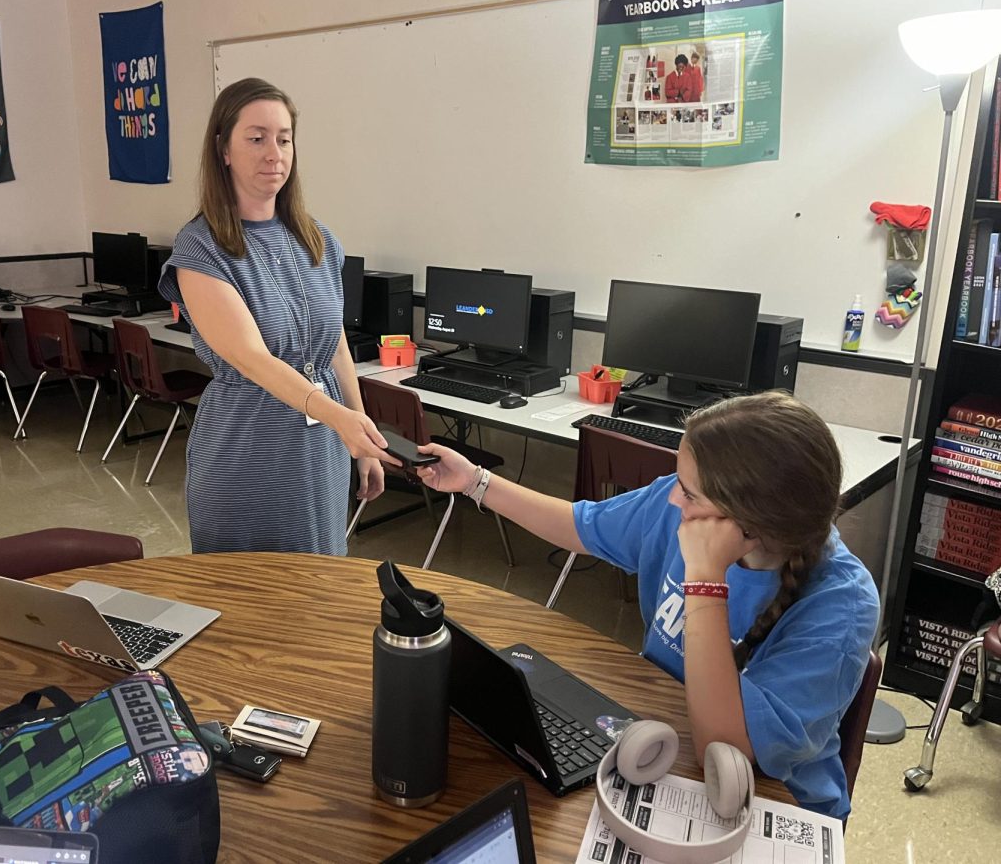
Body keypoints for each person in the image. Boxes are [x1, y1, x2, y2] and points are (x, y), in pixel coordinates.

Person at [414, 392, 878, 820]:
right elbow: (580, 525)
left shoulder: (841, 605)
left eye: (690, 493)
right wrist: (475, 481)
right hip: (664, 742)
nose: (673, 498)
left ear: (752, 522)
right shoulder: (676, 504)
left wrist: (705, 579)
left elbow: (726, 746)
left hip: (767, 802)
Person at [159, 77, 393, 555]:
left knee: (318, 586)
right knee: (251, 594)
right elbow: (251, 358)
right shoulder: (201, 248)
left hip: (320, 449)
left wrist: (360, 429)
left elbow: (335, 344)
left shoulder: (318, 239)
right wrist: (341, 419)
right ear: (223, 149)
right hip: (247, 446)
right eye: (257, 138)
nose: (275, 154)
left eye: (284, 139)